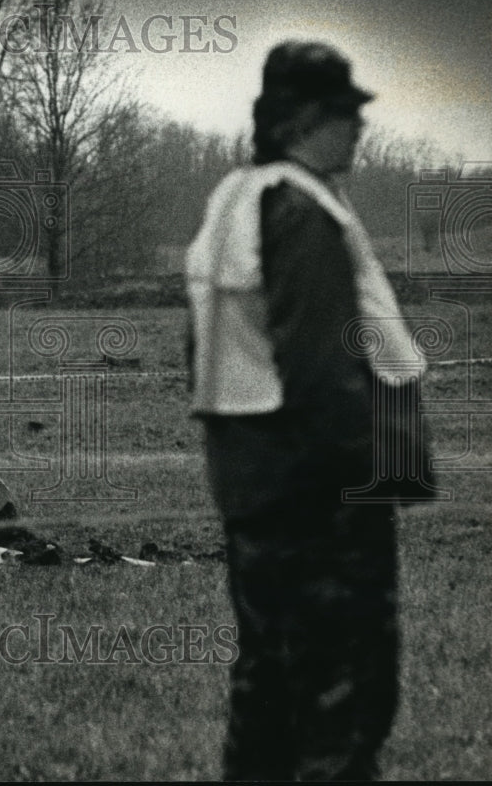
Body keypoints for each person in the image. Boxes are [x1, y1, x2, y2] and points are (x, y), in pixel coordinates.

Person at [185, 41, 434, 781]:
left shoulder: (232, 202)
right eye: (343, 113)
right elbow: (325, 373)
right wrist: (364, 484)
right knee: (344, 699)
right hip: (322, 499)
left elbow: (201, 349)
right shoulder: (303, 211)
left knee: (267, 688)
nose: (358, 128)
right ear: (299, 121)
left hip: (251, 483)